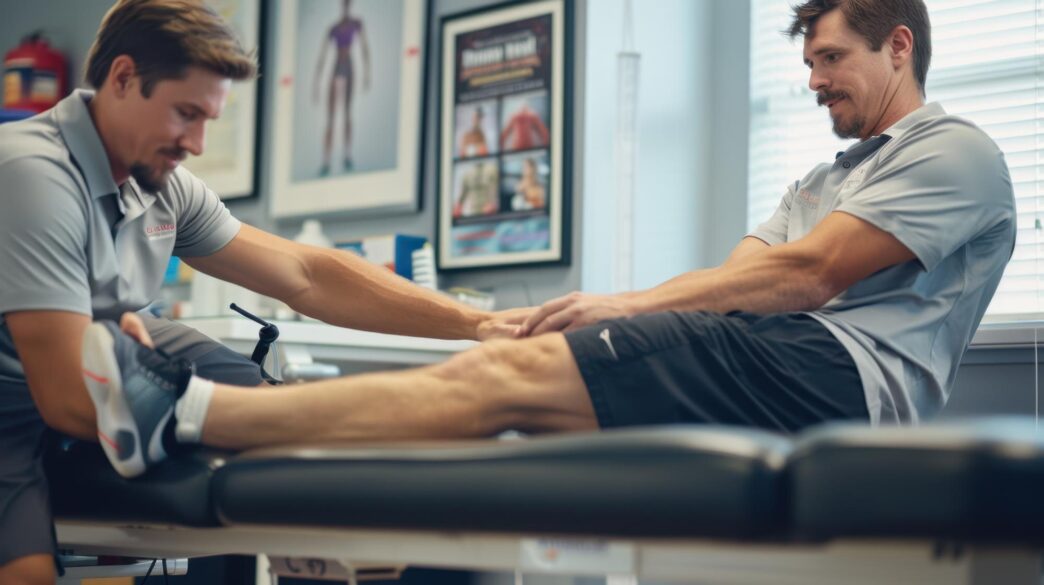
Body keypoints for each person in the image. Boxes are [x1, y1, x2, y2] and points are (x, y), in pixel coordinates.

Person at [84, 0, 1013, 478]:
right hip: (775, 353)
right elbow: (738, 281)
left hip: (837, 376)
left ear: (899, 47)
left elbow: (804, 274)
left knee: (518, 376)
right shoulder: (822, 179)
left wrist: (617, 304)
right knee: (500, 407)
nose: (814, 82)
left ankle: (193, 415)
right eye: (807, 62)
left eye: (831, 59)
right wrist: (520, 322)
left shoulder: (954, 152)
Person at [0, 1, 523, 583]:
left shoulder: (163, 183)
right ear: (122, 79)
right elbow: (68, 397)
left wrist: (479, 325)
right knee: (27, 574)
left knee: (257, 392)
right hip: (16, 394)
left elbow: (306, 274)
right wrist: (213, 415)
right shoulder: (33, 172)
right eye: (185, 114)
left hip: (107, 353)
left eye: (208, 121)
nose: (196, 143)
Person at [313, 0, 371, 175]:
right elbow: (322, 56)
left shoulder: (356, 24)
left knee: (347, 113)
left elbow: (364, 48)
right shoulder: (334, 28)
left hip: (349, 68)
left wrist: (367, 73)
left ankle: (347, 155)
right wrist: (316, 82)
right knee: (331, 117)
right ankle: (326, 160)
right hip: (336, 67)